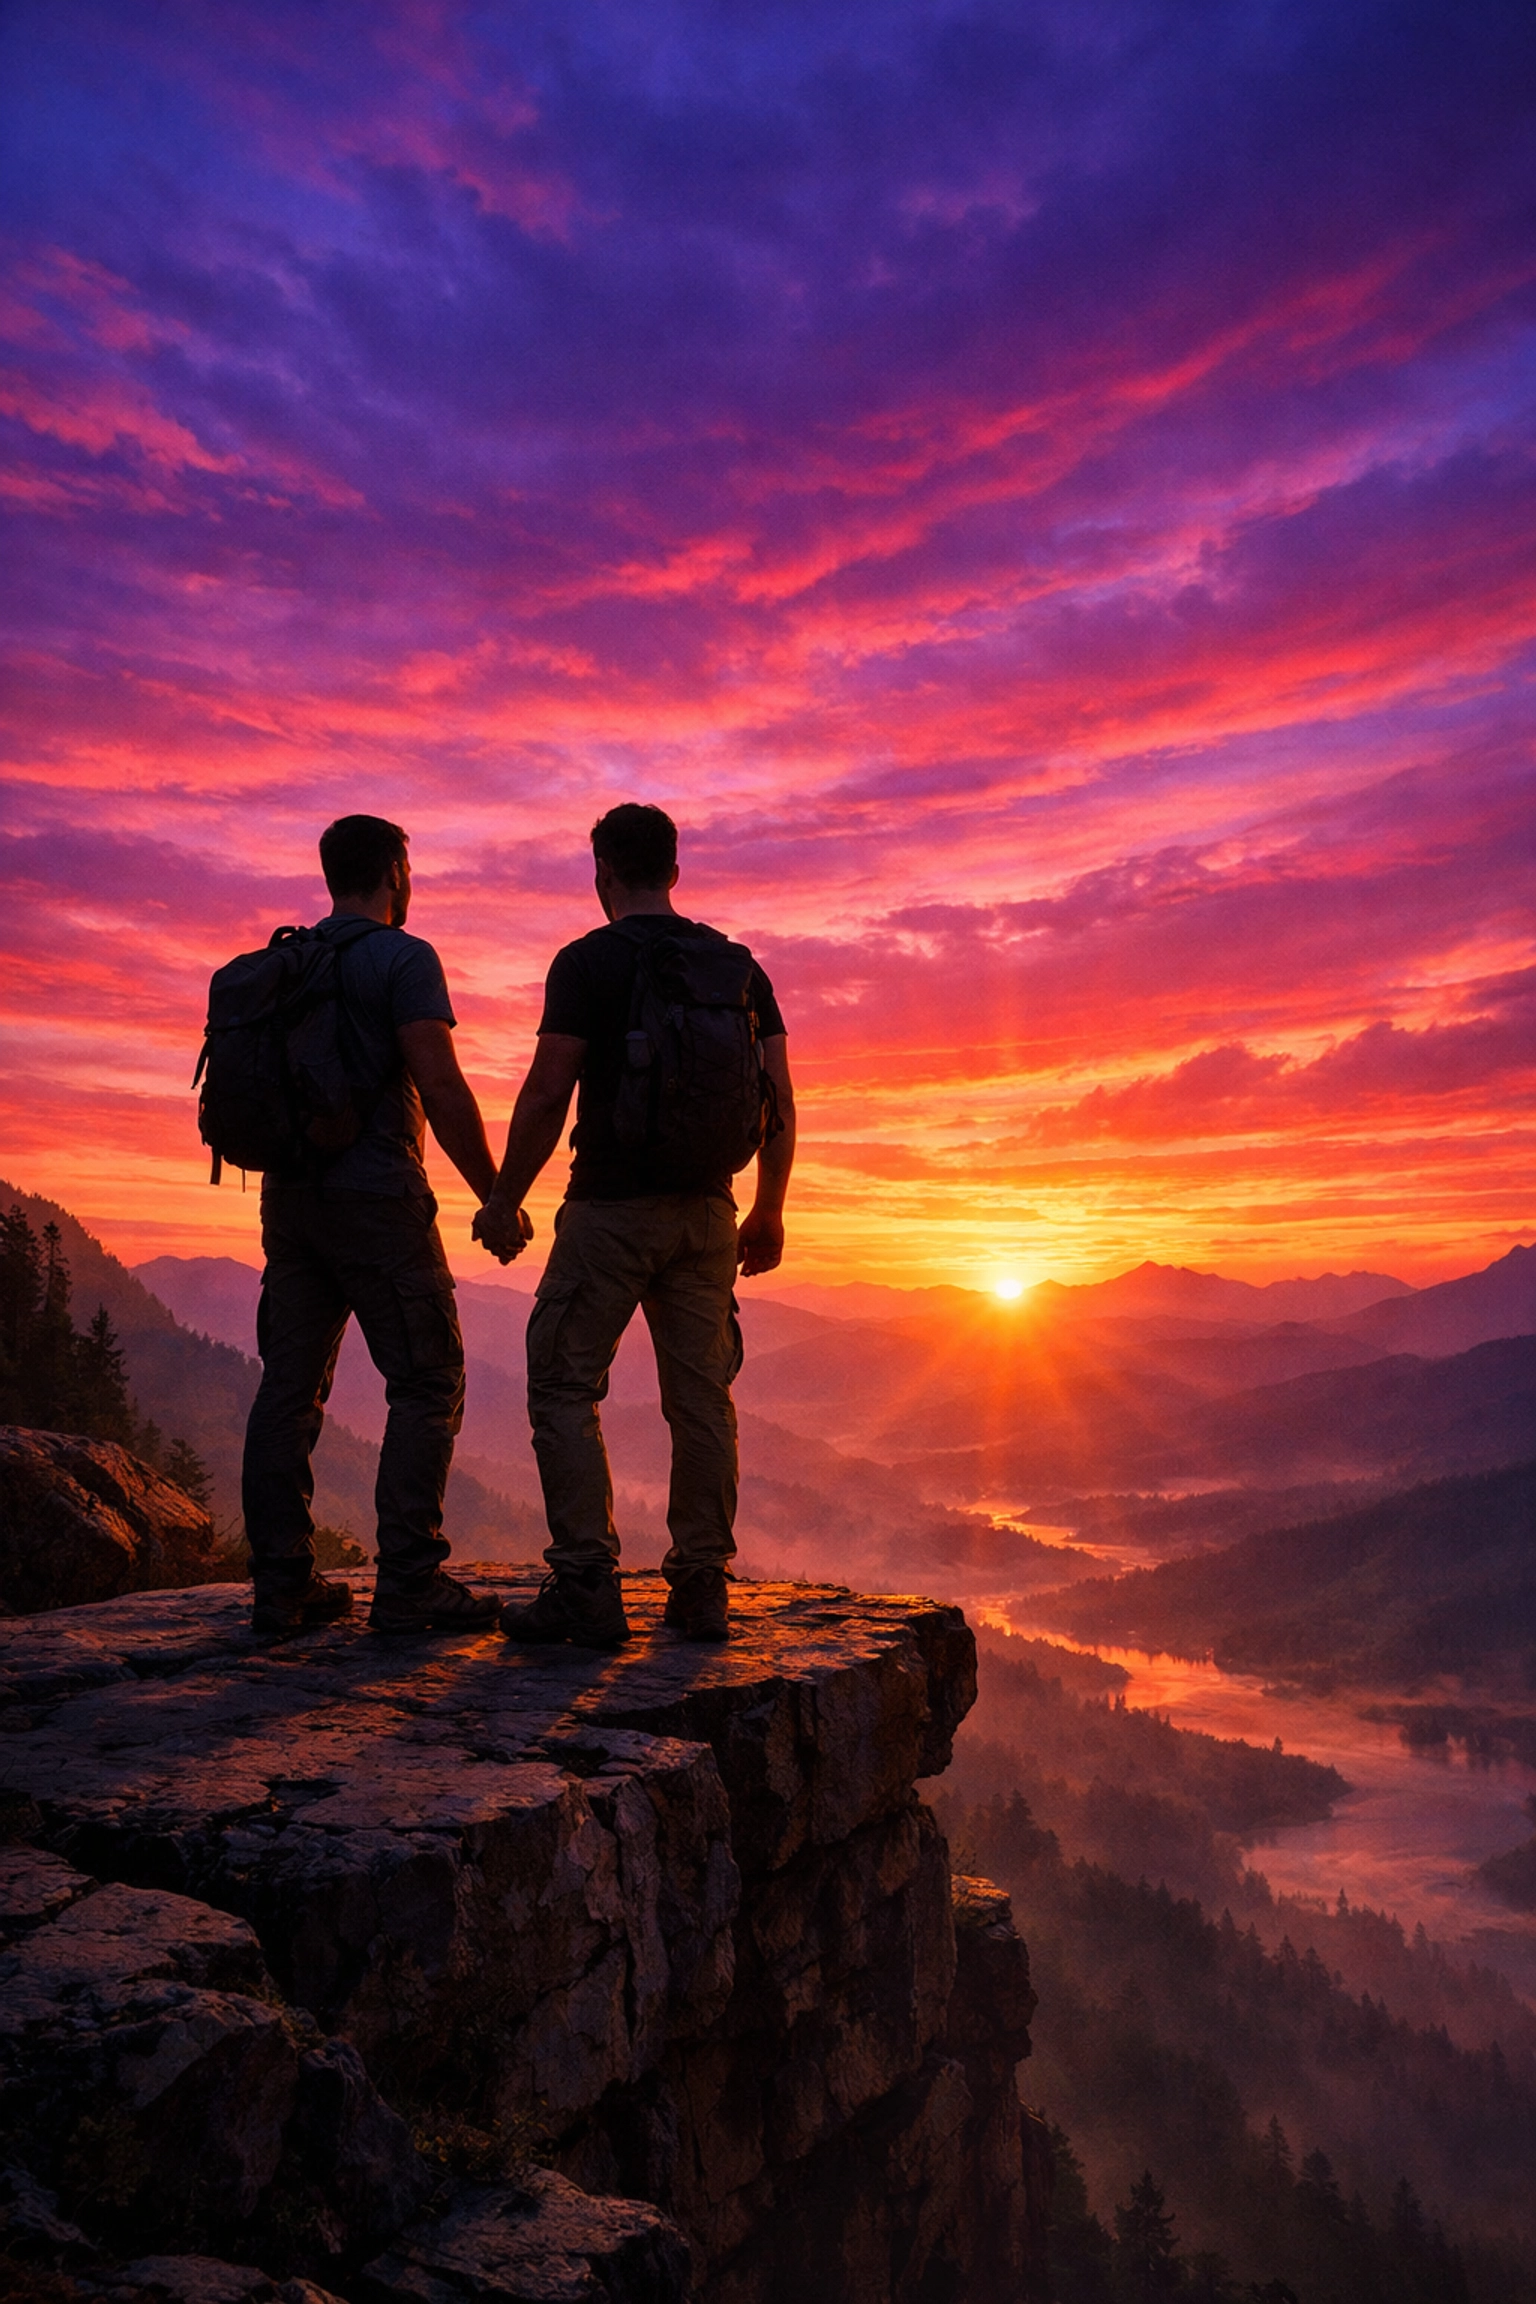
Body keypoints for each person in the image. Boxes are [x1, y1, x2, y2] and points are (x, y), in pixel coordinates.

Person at [473, 803, 795, 1646]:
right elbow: (781, 1102)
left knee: (563, 1386)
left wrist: (506, 1199)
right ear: (676, 872)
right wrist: (769, 1208)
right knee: (702, 1400)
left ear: (602, 872)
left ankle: (586, 1586)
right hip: (708, 1215)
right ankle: (701, 1588)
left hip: (610, 1212)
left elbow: (548, 1091)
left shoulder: (587, 963)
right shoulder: (739, 969)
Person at [242, 814, 503, 1640]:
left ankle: (283, 1588)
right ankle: (410, 1584)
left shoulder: (286, 961)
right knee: (428, 1379)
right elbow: (442, 1083)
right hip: (379, 1200)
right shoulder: (403, 957)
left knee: (288, 1389)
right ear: (395, 872)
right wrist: (494, 1193)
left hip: (288, 1200)